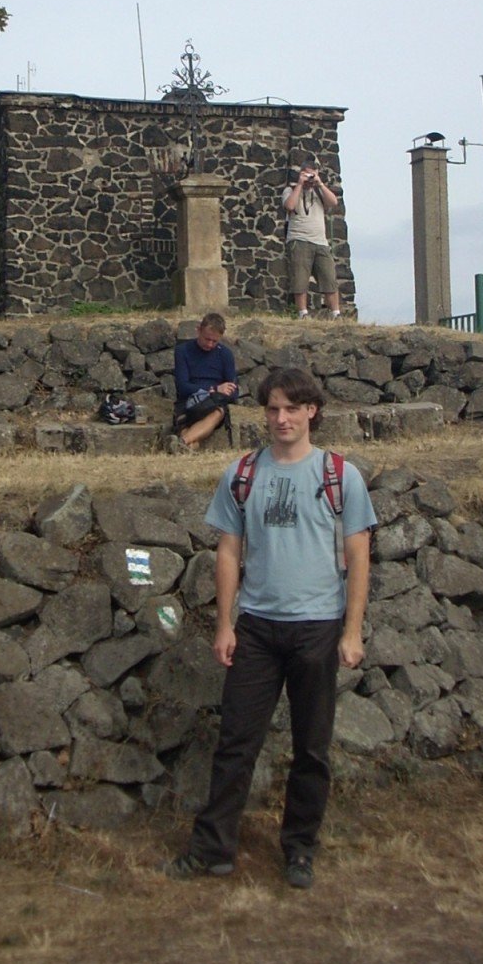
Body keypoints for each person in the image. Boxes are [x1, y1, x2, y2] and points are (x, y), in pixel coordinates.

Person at [166, 367, 377, 890]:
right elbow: (229, 551)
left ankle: (300, 848)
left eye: (291, 408)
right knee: (236, 742)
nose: (280, 419)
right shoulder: (242, 473)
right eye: (272, 409)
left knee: (311, 747)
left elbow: (358, 553)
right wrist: (225, 623)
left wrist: (352, 632)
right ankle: (212, 849)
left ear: (312, 412)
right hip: (257, 628)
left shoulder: (340, 475)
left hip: (318, 627)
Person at [282, 160, 343, 318]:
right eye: (307, 174)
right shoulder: (290, 190)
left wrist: (320, 184)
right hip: (299, 240)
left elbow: (333, 202)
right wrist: (300, 185)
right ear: (301, 173)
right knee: (300, 280)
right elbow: (289, 206)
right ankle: (303, 313)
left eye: (312, 174)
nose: (309, 178)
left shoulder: (319, 192)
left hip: (320, 242)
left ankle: (336, 313)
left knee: (329, 278)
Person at [171, 312, 239, 451]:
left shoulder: (225, 354)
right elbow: (182, 387)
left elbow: (234, 391)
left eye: (215, 341)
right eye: (207, 339)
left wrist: (221, 393)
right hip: (188, 402)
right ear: (198, 330)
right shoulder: (183, 351)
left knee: (218, 412)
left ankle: (181, 443)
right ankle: (185, 445)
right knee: (188, 429)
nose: (210, 344)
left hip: (213, 405)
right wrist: (213, 389)